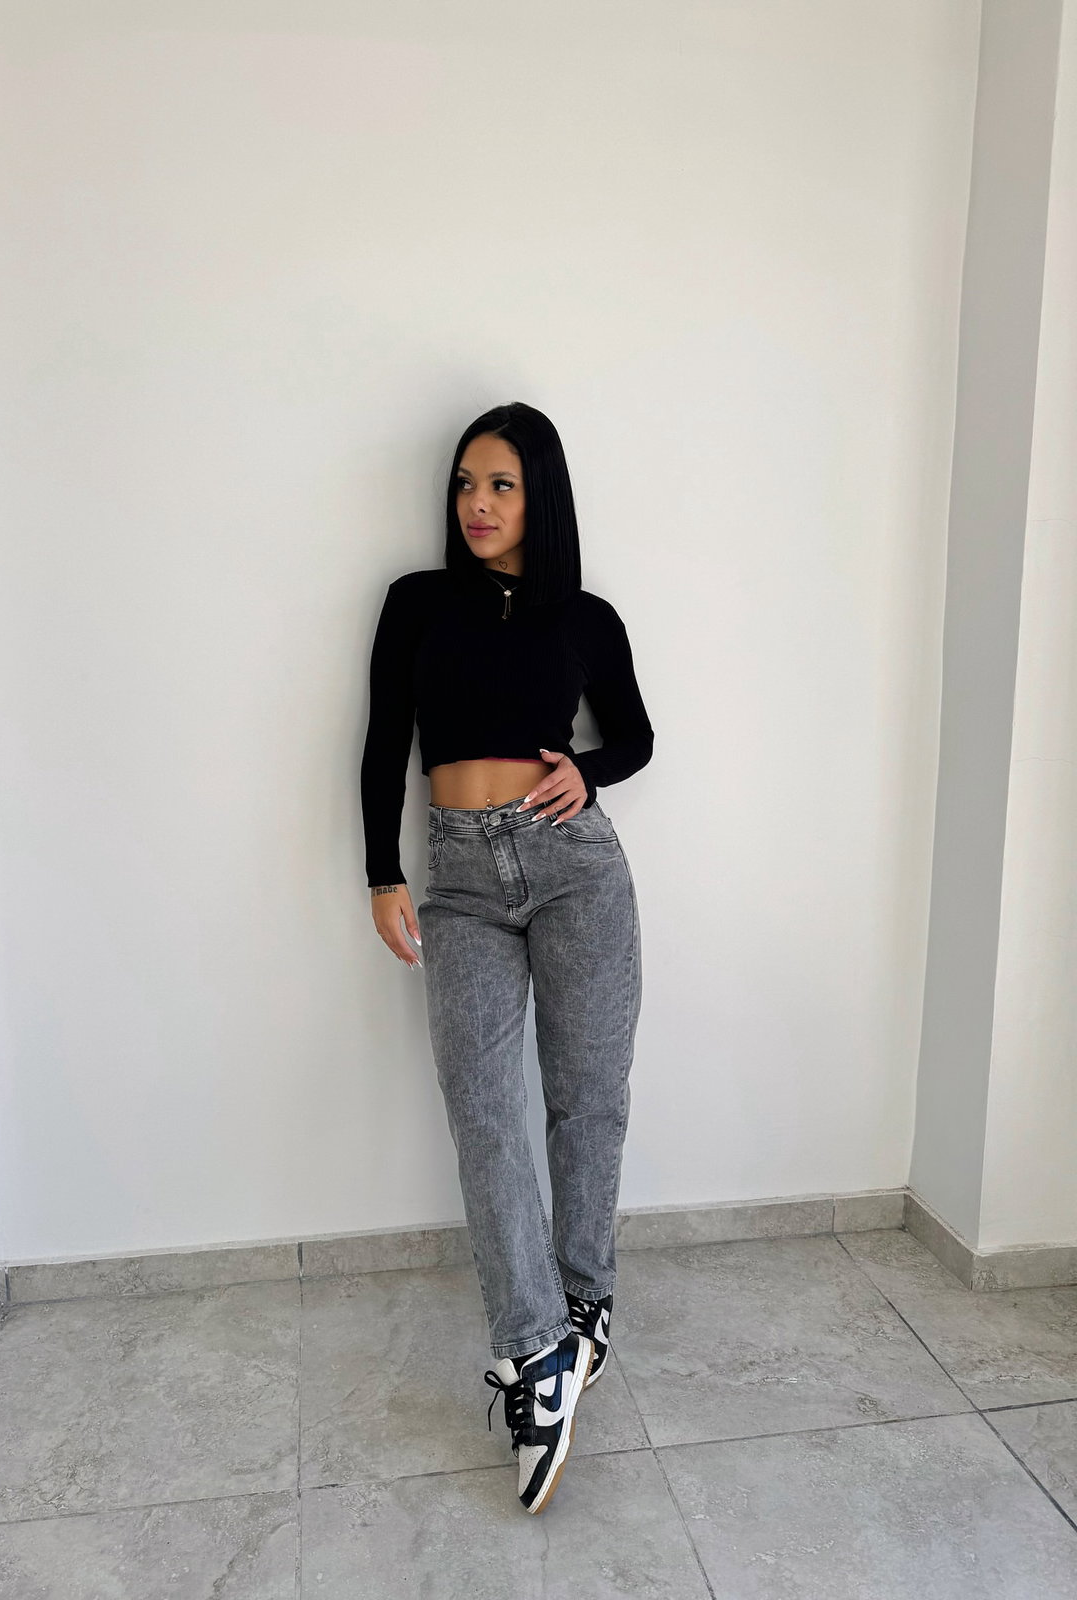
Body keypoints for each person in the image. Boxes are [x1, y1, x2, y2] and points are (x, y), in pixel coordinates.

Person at [359, 401, 653, 1515]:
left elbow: (634, 735)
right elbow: (385, 738)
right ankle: (535, 1353)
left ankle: (585, 1308)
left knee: (587, 1100)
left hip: (576, 866)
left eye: (502, 485)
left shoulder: (586, 617)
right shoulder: (416, 603)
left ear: (541, 496)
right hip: (460, 879)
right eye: (465, 483)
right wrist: (380, 872)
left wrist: (589, 770)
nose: (477, 505)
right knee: (483, 1109)